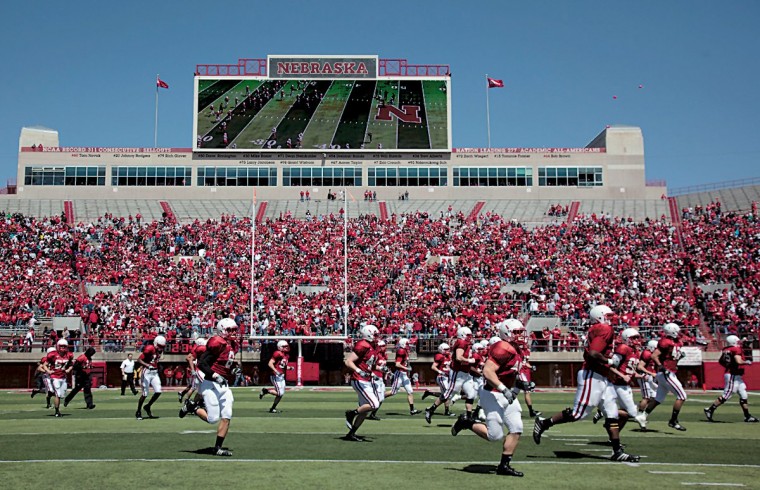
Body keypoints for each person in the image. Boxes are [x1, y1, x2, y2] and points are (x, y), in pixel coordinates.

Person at [532, 305, 640, 462]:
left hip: (601, 376)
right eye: (607, 316)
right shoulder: (604, 329)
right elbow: (593, 353)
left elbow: (589, 352)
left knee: (612, 414)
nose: (611, 319)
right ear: (599, 316)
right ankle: (544, 423)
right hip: (593, 376)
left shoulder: (598, 329)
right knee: (578, 414)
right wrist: (610, 360)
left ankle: (617, 451)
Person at [450, 319, 525, 477]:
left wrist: (521, 384)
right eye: (516, 332)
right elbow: (488, 371)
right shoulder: (503, 347)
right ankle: (467, 422)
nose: (520, 335)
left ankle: (504, 466)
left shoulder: (517, 348)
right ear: (506, 332)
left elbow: (509, 373)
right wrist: (504, 389)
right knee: (495, 436)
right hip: (493, 394)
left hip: (507, 393)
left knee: (517, 428)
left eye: (520, 332)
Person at [179, 317, 239, 457]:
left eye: (234, 330)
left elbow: (227, 364)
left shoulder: (234, 345)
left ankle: (217, 448)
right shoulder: (217, 342)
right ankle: (192, 406)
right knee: (213, 419)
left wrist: (234, 370)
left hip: (223, 384)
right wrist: (214, 375)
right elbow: (203, 364)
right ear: (222, 330)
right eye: (230, 330)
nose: (233, 332)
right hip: (210, 383)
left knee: (227, 415)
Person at [592, 328, 646, 430]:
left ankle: (613, 436)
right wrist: (623, 376)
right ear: (626, 338)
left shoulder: (635, 351)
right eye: (633, 338)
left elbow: (629, 369)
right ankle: (605, 412)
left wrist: (638, 375)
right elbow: (611, 366)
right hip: (618, 384)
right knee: (632, 413)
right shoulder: (623, 348)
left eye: (637, 338)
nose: (636, 340)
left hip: (625, 385)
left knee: (625, 416)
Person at [638, 323, 688, 431]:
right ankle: (673, 421)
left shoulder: (676, 342)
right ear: (672, 331)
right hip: (666, 373)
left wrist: (679, 358)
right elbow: (654, 355)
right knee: (682, 396)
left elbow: (672, 359)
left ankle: (643, 416)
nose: (679, 333)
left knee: (658, 399)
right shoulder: (665, 341)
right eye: (677, 330)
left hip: (669, 372)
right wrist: (661, 367)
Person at [427, 326, 476, 423]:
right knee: (449, 394)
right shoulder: (461, 342)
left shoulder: (465, 343)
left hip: (466, 373)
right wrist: (469, 360)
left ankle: (469, 417)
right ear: (462, 335)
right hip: (458, 372)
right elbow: (458, 357)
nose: (470, 337)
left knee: (471, 394)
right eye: (468, 335)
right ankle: (431, 410)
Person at [704, 335, 758, 423]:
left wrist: (728, 366)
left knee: (743, 395)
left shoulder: (726, 349)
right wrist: (746, 362)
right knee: (727, 395)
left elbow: (721, 361)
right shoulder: (736, 349)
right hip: (733, 375)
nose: (739, 342)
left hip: (735, 375)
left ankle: (747, 416)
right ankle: (710, 410)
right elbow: (738, 361)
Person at [343, 324, 380, 441]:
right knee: (374, 405)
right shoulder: (362, 345)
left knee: (365, 410)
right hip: (359, 379)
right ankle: (351, 413)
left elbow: (370, 365)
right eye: (375, 335)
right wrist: (359, 370)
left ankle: (351, 433)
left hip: (366, 380)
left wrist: (380, 369)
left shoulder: (373, 346)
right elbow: (348, 361)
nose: (377, 337)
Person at [384, 338, 422, 416]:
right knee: (393, 392)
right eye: (407, 344)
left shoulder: (405, 351)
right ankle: (378, 397)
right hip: (400, 374)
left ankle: (412, 410)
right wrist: (407, 368)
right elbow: (397, 364)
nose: (408, 346)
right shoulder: (401, 351)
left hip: (404, 374)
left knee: (410, 391)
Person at [136, 335, 166, 420]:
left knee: (158, 391)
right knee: (145, 394)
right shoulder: (149, 348)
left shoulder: (159, 350)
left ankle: (148, 406)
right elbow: (139, 359)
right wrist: (147, 365)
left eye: (162, 346)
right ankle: (138, 411)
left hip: (155, 373)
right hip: (147, 372)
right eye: (160, 346)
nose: (161, 348)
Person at [421, 343, 456, 418]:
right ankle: (432, 409)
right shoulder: (439, 356)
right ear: (441, 349)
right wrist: (440, 372)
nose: (447, 351)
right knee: (447, 394)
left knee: (445, 395)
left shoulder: (449, 356)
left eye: (448, 349)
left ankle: (446, 411)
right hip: (442, 377)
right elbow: (433, 367)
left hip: (447, 377)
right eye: (445, 349)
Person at [259, 340, 294, 413]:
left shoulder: (286, 355)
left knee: (281, 394)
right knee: (280, 393)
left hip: (281, 376)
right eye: (285, 346)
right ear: (280, 347)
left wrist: (289, 368)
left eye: (287, 346)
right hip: (275, 376)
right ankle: (266, 391)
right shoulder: (277, 353)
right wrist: (276, 371)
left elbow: (282, 366)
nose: (287, 347)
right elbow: (270, 363)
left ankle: (273, 408)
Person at [43, 339, 74, 417]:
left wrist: (68, 369)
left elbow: (71, 364)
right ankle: (57, 411)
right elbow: (44, 365)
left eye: (64, 346)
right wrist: (48, 371)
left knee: (62, 395)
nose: (63, 348)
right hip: (55, 377)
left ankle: (51, 394)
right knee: (58, 394)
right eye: (61, 346)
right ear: (58, 346)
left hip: (63, 377)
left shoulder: (69, 355)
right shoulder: (52, 355)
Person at [178, 338, 206, 403]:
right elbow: (188, 358)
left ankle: (185, 397)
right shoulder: (198, 348)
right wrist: (194, 363)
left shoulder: (199, 347)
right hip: (198, 369)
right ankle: (187, 401)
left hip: (200, 369)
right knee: (194, 387)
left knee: (195, 387)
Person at [367, 339, 389, 420]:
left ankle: (372, 414)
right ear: (379, 347)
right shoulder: (375, 355)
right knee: (378, 398)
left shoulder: (384, 355)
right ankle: (361, 411)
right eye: (383, 346)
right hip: (375, 377)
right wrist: (372, 374)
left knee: (381, 398)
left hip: (380, 377)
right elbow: (369, 366)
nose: (385, 347)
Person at [637, 340, 659, 412]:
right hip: (644, 376)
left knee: (654, 397)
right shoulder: (647, 353)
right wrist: (651, 373)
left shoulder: (652, 354)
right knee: (646, 397)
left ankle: (638, 406)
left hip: (649, 376)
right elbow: (640, 367)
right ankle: (640, 414)